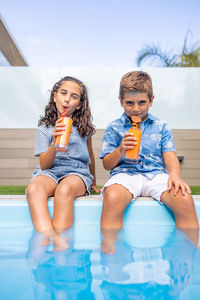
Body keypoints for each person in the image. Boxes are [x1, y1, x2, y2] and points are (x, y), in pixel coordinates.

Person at [100, 71, 199, 253]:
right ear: (121, 101)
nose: (136, 108)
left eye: (142, 102)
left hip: (156, 175)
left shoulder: (161, 127)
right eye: (129, 103)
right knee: (112, 197)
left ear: (151, 100)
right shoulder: (114, 127)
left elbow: (170, 156)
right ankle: (112, 250)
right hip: (125, 175)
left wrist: (175, 176)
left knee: (184, 199)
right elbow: (107, 164)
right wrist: (121, 149)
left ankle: (187, 253)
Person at [27, 76, 100, 250]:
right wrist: (54, 142)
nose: (67, 99)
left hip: (77, 173)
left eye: (74, 96)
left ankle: (61, 244)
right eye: (63, 93)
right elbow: (44, 165)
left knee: (64, 190)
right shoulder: (44, 128)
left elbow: (90, 155)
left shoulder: (84, 128)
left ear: (80, 104)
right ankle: (47, 237)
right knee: (34, 188)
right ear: (54, 96)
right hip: (50, 171)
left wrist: (94, 182)